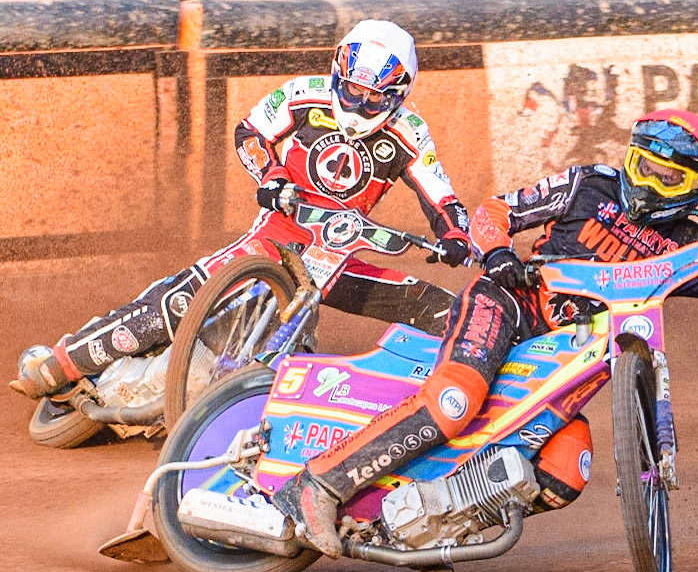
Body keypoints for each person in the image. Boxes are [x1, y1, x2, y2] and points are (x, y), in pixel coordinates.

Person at [273, 109, 698, 559]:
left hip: (569, 364)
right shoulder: (589, 183)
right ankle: (318, 483)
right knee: (454, 401)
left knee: (569, 469)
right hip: (511, 306)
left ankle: (420, 531)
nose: (650, 184)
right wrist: (499, 254)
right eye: (644, 167)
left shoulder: (690, 241)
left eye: (668, 177)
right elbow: (496, 210)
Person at [11, 20, 474, 400]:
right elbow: (250, 133)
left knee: (442, 309)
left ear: (399, 93)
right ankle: (61, 363)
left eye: (375, 97)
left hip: (336, 260)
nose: (359, 103)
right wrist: (272, 179)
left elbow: (443, 198)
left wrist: (455, 236)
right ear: (338, 75)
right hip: (276, 235)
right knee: (175, 303)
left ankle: (461, 395)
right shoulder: (301, 92)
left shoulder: (412, 132)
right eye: (352, 90)